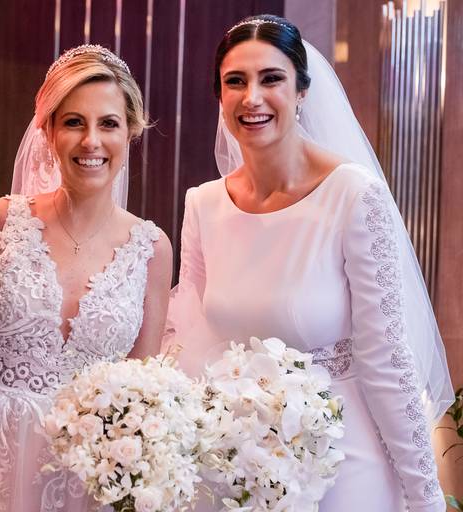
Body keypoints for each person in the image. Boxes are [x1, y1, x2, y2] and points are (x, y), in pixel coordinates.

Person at [165, 14, 454, 512]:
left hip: (343, 461)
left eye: (271, 79)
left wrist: (425, 496)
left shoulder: (353, 194)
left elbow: (387, 357)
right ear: (219, 96)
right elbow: (187, 339)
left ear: (301, 91)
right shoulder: (203, 204)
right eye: (236, 82)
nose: (252, 98)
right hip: (235, 466)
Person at [0, 44, 173, 511]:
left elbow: (145, 388)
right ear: (48, 130)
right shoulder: (4, 221)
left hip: (86, 473)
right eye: (74, 122)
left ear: (131, 132)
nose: (91, 141)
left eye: (108, 124)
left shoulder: (152, 249)